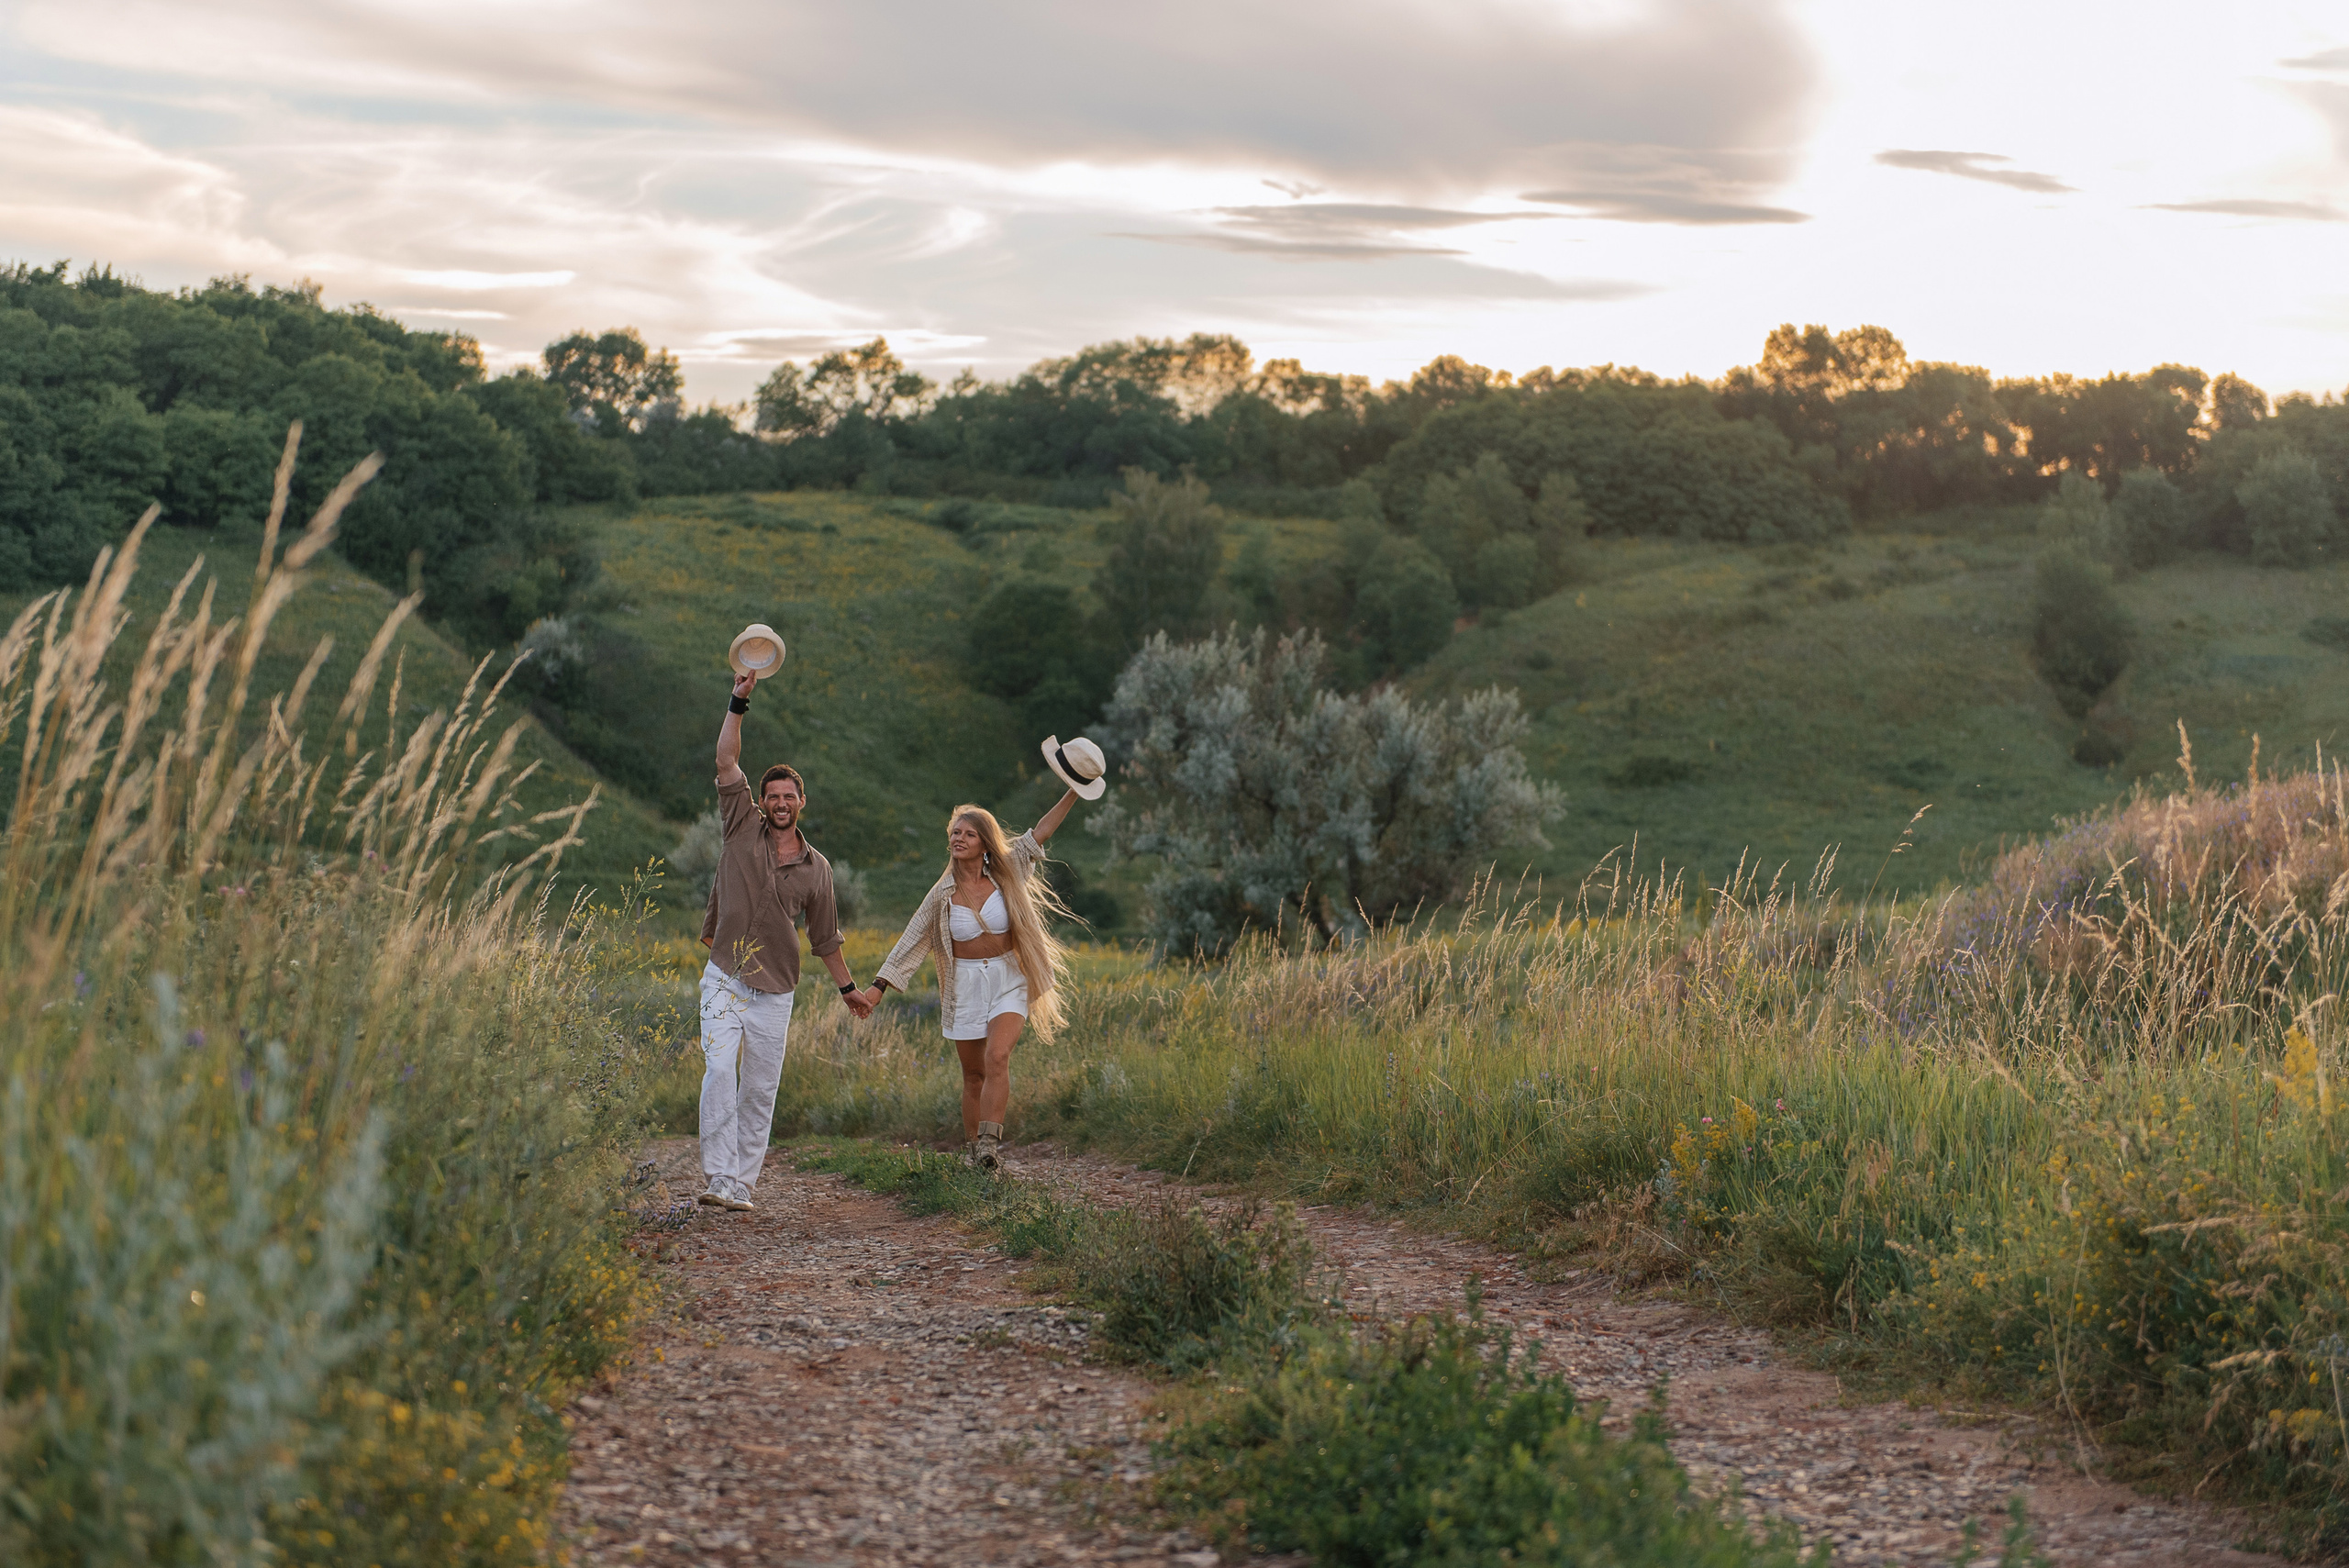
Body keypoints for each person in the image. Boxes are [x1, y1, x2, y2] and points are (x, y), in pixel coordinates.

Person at [854, 737, 1108, 1170]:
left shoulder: (1008, 871)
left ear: (985, 843)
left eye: (968, 834)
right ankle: (973, 1155)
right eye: (955, 832)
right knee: (972, 1076)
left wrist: (1074, 789)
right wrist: (876, 991)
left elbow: (1039, 834)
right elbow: (910, 941)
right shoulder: (941, 895)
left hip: (1009, 977)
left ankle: (990, 1148)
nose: (958, 838)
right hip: (966, 986)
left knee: (997, 1057)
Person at [696, 671, 869, 1211]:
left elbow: (825, 940)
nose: (778, 802)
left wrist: (850, 991)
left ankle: (743, 1185)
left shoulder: (818, 870)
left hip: (775, 992)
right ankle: (718, 1178)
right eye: (771, 795)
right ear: (761, 800)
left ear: (800, 802)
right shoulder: (739, 822)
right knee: (721, 1070)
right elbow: (726, 761)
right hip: (724, 974)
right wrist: (738, 700)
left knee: (760, 1091)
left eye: (788, 796)